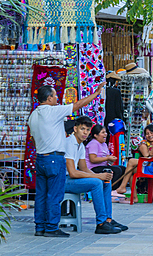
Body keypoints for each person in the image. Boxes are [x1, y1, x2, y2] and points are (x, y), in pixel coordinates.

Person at [29, 83, 103, 237]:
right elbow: (77, 105)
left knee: (41, 194)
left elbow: (33, 138)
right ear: (49, 98)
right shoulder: (53, 111)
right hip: (55, 158)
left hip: (41, 157)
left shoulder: (33, 115)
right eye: (55, 96)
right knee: (54, 195)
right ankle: (51, 227)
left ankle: (40, 227)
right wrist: (95, 94)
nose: (57, 98)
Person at [63, 116, 128, 234]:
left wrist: (103, 176)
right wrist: (98, 176)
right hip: (63, 180)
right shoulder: (69, 143)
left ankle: (108, 219)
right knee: (97, 182)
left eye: (87, 130)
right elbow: (72, 173)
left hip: (71, 179)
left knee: (105, 181)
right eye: (82, 129)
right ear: (75, 129)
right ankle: (101, 223)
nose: (85, 133)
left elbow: (84, 168)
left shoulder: (80, 145)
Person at [113, 124, 153, 197]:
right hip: (147, 165)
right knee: (130, 171)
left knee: (131, 162)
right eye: (147, 133)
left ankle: (123, 187)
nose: (150, 135)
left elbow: (148, 157)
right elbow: (146, 157)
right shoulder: (143, 144)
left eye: (152, 133)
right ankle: (133, 196)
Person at [86, 123, 125, 198]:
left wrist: (110, 159)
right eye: (103, 132)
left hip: (102, 166)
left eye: (105, 132)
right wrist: (107, 158)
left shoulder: (104, 144)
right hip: (93, 169)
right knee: (117, 170)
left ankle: (116, 190)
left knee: (123, 169)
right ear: (95, 135)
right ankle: (109, 191)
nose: (105, 134)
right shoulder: (94, 143)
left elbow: (106, 157)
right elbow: (93, 159)